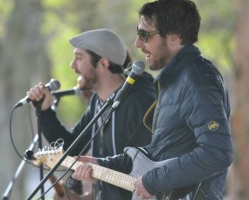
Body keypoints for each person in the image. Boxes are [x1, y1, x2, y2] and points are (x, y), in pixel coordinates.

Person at [71, 0, 234, 199]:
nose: (137, 43)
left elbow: (217, 153)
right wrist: (101, 165)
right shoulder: (173, 81)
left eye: (144, 35)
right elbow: (159, 154)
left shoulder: (197, 79)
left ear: (174, 37)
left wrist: (153, 181)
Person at [26, 29, 156, 199]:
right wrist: (45, 111)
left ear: (103, 64)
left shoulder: (139, 101)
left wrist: (99, 173)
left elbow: (150, 167)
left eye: (79, 58)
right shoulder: (97, 101)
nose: (72, 65)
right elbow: (73, 147)